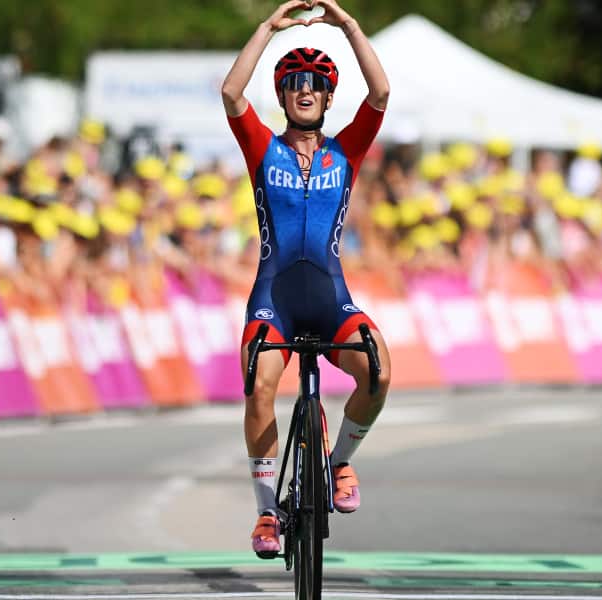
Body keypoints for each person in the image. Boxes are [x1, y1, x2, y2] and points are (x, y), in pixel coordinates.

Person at [220, 0, 392, 557]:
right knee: (260, 383)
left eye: (315, 84)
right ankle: (267, 511)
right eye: (294, 82)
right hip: (274, 298)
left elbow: (382, 94)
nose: (304, 90)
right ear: (284, 93)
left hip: (329, 297)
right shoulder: (262, 145)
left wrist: (350, 27)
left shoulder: (347, 149)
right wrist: (269, 28)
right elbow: (230, 94)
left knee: (379, 370)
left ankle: (339, 462)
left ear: (327, 97)